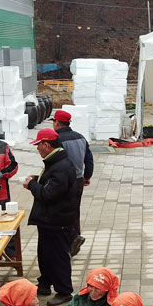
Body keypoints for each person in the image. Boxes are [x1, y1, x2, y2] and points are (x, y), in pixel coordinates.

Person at [23, 128, 77, 305]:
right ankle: (44, 284)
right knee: (45, 254)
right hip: (48, 219)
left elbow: (48, 194)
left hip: (57, 220)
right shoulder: (54, 161)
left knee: (58, 256)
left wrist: (31, 184)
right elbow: (50, 184)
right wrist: (37, 179)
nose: (37, 149)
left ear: (46, 145)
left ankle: (64, 291)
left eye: (38, 145)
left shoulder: (60, 166)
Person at [52, 110, 94, 258]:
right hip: (78, 179)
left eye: (53, 122)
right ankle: (75, 236)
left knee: (63, 210)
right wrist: (87, 176)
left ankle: (70, 240)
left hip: (64, 180)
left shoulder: (57, 139)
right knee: (75, 208)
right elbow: (89, 158)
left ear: (57, 123)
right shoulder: (81, 137)